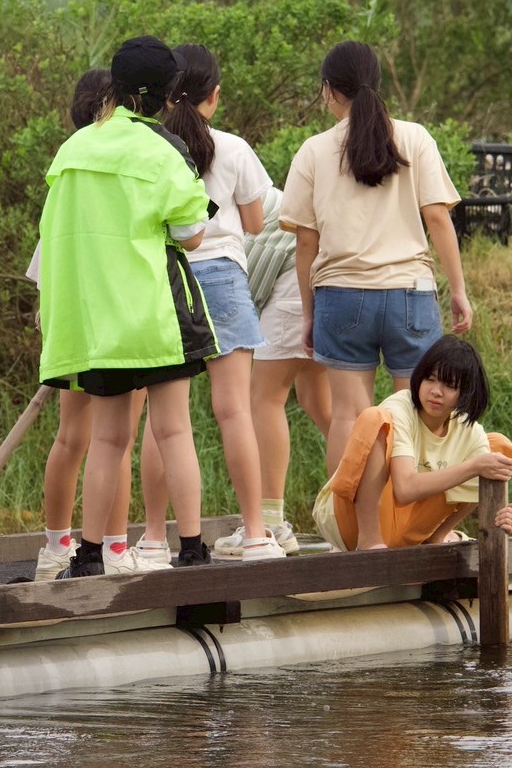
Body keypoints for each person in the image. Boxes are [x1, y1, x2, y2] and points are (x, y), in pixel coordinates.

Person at [39, 36, 216, 575]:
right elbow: (190, 234)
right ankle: (190, 548)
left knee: (107, 439)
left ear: (112, 88)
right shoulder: (163, 150)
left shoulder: (72, 150)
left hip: (98, 321)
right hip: (156, 314)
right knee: (174, 431)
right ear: (168, 98)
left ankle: (89, 554)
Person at [280, 40, 472, 477]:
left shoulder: (313, 150)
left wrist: (309, 314)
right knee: (417, 413)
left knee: (348, 417)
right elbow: (439, 220)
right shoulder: (415, 137)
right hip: (411, 295)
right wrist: (457, 290)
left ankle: (352, 533)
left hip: (341, 297)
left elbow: (305, 245)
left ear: (329, 90)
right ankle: (412, 528)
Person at [135, 45, 284, 563]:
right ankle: (257, 534)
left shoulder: (152, 148)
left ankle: (154, 538)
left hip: (168, 280)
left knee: (165, 418)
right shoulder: (235, 148)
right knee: (234, 411)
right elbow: (255, 223)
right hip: (223, 276)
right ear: (214, 96)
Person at [31, 69, 145, 581]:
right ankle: (116, 548)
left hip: (71, 323)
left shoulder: (66, 168)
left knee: (72, 436)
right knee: (115, 440)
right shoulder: (121, 163)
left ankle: (56, 546)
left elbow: (44, 265)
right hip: (117, 322)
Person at [313, 335, 512, 550]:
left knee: (497, 448)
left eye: (449, 385)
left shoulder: (468, 432)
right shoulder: (400, 408)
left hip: (403, 528)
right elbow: (404, 490)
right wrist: (473, 467)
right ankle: (370, 542)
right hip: (350, 523)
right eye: (430, 379)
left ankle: (436, 536)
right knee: (374, 419)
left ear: (466, 392)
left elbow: (489, 499)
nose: (436, 391)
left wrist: (503, 517)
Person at [229, 184, 333, 554]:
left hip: (292, 283)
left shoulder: (215, 181)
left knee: (265, 398)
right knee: (319, 404)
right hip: (310, 281)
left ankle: (271, 521)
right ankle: (372, 504)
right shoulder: (245, 176)